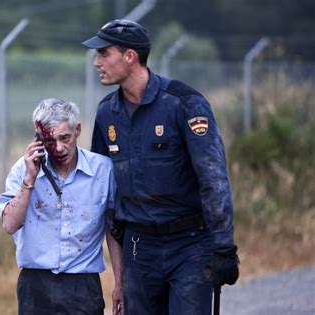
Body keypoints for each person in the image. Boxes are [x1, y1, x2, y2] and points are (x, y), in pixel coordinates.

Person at [82, 20, 239, 314]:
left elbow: (213, 177)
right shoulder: (107, 114)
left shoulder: (184, 104)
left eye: (104, 53)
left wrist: (223, 244)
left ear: (130, 56)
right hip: (140, 249)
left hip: (190, 245)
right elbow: (103, 188)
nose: (97, 62)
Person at [0, 98, 124, 315]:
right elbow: (9, 225)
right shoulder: (23, 170)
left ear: (77, 130)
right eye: (50, 140)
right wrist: (30, 179)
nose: (58, 148)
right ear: (38, 138)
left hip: (82, 285)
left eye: (64, 138)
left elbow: (114, 231)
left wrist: (120, 284)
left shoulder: (103, 171)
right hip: (35, 283)